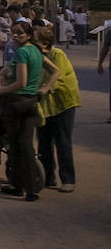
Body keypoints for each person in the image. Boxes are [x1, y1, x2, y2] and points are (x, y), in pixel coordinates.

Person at [0, 22, 56, 202]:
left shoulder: (22, 53)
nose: (15, 36)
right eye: (14, 33)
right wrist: (45, 88)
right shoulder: (36, 51)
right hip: (32, 102)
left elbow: (21, 82)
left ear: (28, 35)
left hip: (16, 102)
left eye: (19, 33)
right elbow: (54, 71)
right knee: (25, 144)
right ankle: (27, 186)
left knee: (17, 145)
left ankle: (21, 185)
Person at [36, 38, 80, 193]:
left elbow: (57, 76)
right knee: (44, 141)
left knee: (62, 141)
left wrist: (44, 88)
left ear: (45, 43)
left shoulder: (57, 54)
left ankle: (68, 180)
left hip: (63, 103)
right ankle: (48, 177)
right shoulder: (35, 55)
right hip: (44, 104)